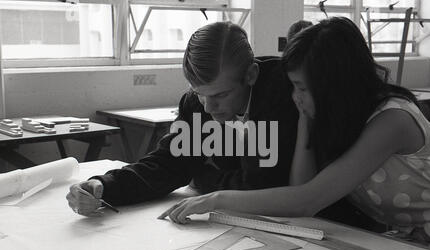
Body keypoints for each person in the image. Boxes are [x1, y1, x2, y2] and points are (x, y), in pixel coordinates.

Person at [160, 17, 430, 250]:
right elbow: (302, 188)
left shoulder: (392, 120)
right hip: (414, 239)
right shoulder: (329, 117)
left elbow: (306, 200)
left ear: (335, 85)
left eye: (301, 87)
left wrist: (216, 198)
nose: (294, 97)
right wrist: (303, 120)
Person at [66, 22, 298, 215]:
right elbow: (167, 166)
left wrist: (201, 178)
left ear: (251, 75)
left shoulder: (282, 93)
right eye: (199, 93)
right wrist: (105, 186)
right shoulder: (196, 104)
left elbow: (262, 185)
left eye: (220, 95)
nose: (209, 107)